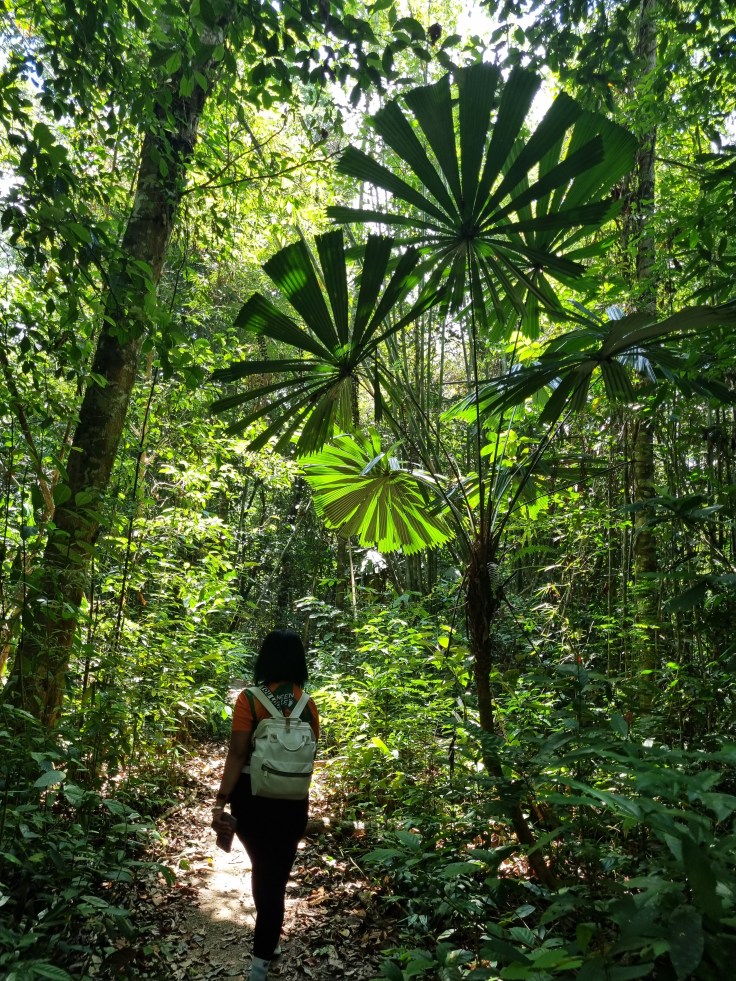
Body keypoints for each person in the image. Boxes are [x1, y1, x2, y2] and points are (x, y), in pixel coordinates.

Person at [211, 629, 319, 981]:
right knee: (278, 875)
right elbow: (310, 755)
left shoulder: (250, 700)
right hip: (293, 802)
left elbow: (238, 752)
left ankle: (260, 963)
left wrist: (221, 800)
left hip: (252, 798)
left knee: (263, 872)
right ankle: (268, 943)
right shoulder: (308, 704)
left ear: (265, 659)